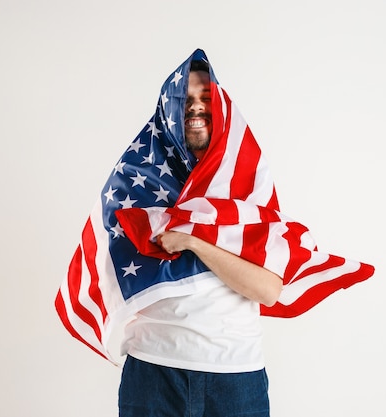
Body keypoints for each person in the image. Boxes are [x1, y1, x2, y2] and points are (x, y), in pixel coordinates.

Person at [117, 59, 282, 417]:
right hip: (153, 370)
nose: (194, 105)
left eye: (205, 96)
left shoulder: (247, 185)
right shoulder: (137, 182)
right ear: (168, 108)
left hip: (235, 375)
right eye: (184, 96)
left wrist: (194, 241)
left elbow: (268, 290)